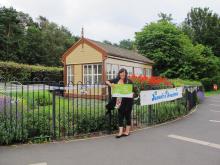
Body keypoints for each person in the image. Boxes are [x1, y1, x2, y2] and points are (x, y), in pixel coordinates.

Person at [105, 68, 134, 138]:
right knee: (120, 116)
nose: (122, 74)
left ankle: (127, 131)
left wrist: (132, 93)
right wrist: (110, 84)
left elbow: (133, 90)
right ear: (119, 73)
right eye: (121, 73)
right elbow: (106, 81)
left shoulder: (129, 81)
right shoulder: (116, 80)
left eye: (124, 73)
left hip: (128, 101)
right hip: (119, 101)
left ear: (126, 74)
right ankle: (120, 132)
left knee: (128, 116)